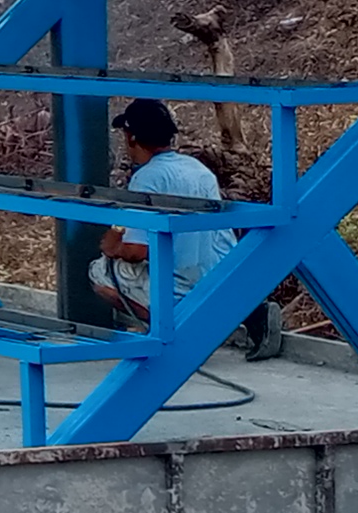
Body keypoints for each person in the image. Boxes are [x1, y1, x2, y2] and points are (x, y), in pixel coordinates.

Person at [87, 96, 284, 357]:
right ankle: (245, 313)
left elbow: (136, 251)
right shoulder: (198, 169)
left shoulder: (146, 178)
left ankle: (177, 327)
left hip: (183, 281)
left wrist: (114, 247)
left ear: (131, 137)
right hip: (223, 275)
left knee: (99, 272)